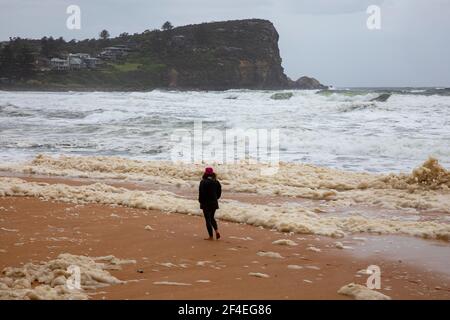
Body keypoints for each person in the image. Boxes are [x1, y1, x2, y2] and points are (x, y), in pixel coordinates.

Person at [198, 167, 222, 240]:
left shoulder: (203, 182)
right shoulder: (216, 182)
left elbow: (201, 193)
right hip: (214, 202)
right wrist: (216, 198)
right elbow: (219, 193)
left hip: (205, 203)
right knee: (212, 218)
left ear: (205, 173)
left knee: (207, 219)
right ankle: (217, 231)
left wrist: (200, 201)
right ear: (212, 173)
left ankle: (211, 236)